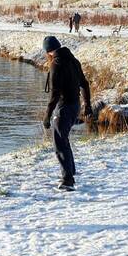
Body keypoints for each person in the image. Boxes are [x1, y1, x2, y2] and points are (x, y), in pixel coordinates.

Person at [42, 34, 92, 191]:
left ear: (48, 51)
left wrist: (47, 115)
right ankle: (70, 172)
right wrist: (87, 105)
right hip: (75, 105)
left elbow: (55, 94)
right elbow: (84, 84)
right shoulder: (73, 60)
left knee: (59, 142)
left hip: (64, 108)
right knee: (64, 139)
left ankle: (67, 180)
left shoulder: (56, 64)